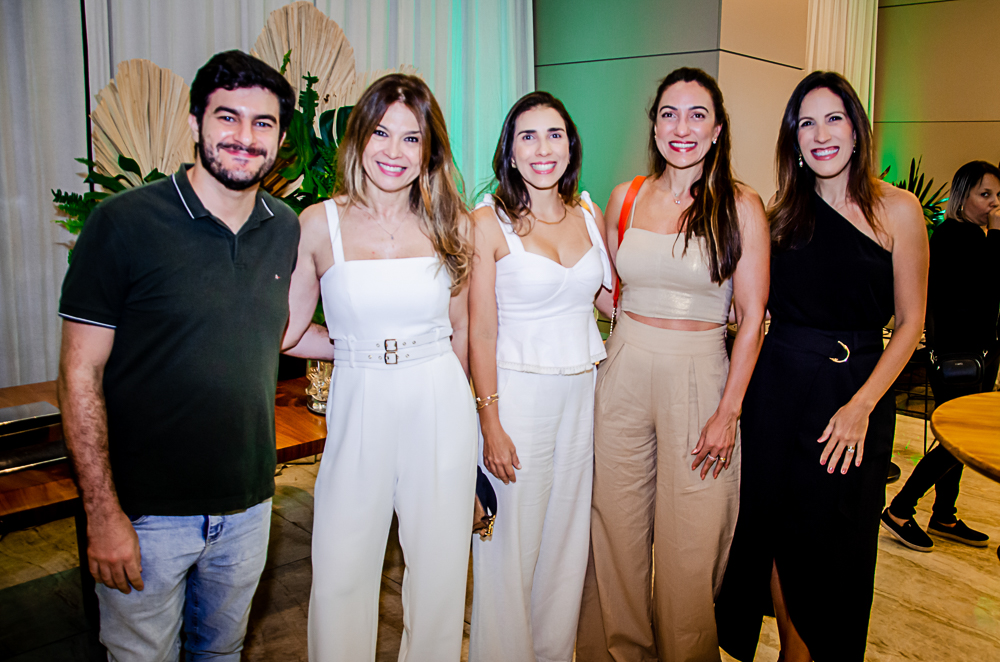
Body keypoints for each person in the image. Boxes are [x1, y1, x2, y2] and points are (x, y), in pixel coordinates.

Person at [57, 50, 297, 660]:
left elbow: (276, 335)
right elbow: (79, 374)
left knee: (222, 653)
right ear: (195, 122)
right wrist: (102, 513)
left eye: (263, 123)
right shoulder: (123, 224)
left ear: (280, 139)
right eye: (227, 117)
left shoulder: (285, 227)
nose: (245, 137)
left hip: (248, 506)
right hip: (145, 515)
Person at [715, 71, 928, 662]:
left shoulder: (899, 210)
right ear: (794, 138)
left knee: (836, 543)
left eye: (833, 119)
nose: (821, 134)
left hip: (854, 394)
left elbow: (911, 323)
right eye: (806, 123)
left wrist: (862, 405)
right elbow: (747, 308)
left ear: (856, 130)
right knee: (776, 530)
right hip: (777, 394)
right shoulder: (781, 214)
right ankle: (794, 651)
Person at [575, 67, 770, 662]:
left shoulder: (741, 205)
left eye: (696, 115)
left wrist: (729, 412)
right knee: (616, 530)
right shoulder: (626, 196)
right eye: (669, 114)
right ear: (654, 126)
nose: (681, 127)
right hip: (624, 369)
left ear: (717, 129)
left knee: (692, 543)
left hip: (701, 378)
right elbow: (611, 293)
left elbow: (752, 318)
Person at [280, 74, 476, 662]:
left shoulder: (452, 223)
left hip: (439, 400)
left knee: (440, 575)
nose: (395, 151)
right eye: (381, 133)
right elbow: (288, 333)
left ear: (429, 150)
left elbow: (463, 329)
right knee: (341, 570)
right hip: (360, 400)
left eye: (411, 138)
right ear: (359, 137)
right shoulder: (319, 224)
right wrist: (358, 348)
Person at [467, 91, 612, 662]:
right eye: (527, 136)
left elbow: (609, 301)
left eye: (554, 134)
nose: (542, 148)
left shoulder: (590, 215)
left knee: (566, 547)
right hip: (516, 399)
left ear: (570, 146)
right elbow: (480, 332)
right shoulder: (487, 223)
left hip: (582, 395)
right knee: (510, 549)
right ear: (510, 150)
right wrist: (490, 424)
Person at [881, 160, 1000, 551]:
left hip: (975, 352)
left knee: (960, 439)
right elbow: (991, 285)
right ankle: (900, 509)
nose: (994, 203)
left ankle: (945, 514)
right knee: (956, 441)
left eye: (998, 195)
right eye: (985, 194)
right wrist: (998, 236)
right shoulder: (953, 237)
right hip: (957, 355)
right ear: (962, 197)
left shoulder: (974, 237)